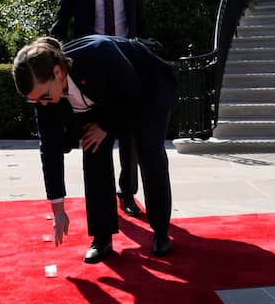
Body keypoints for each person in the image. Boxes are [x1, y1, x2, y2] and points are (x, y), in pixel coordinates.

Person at [12, 35, 175, 263]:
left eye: (45, 96)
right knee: (93, 149)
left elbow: (133, 92)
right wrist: (58, 209)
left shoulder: (99, 55)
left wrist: (106, 126)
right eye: (35, 101)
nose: (43, 104)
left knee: (149, 151)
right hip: (102, 98)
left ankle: (161, 232)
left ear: (58, 73)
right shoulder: (44, 96)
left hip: (145, 87)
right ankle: (102, 238)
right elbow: (49, 149)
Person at [50, 0, 148, 219]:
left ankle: (127, 193)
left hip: (126, 64)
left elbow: (140, 22)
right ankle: (102, 225)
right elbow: (61, 22)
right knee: (95, 141)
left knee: (130, 135)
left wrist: (145, 53)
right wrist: (46, 54)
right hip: (91, 72)